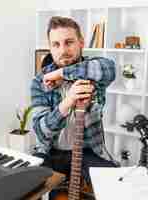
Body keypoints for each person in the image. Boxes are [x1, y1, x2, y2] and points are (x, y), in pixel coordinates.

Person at [31, 16, 117, 196]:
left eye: (69, 42)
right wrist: (68, 101)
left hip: (88, 150)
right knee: (30, 188)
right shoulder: (40, 82)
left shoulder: (95, 71)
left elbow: (110, 68)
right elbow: (41, 130)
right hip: (50, 152)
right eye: (56, 44)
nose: (63, 50)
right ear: (50, 47)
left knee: (114, 184)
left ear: (81, 43)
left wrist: (61, 73)